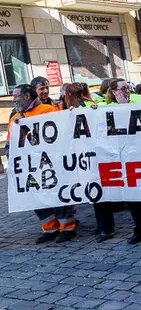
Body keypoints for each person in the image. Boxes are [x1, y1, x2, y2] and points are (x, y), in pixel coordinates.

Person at [97, 78, 141, 245]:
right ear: (114, 92)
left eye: (128, 88)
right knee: (131, 199)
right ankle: (140, 230)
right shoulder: (106, 109)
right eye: (122, 89)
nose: (127, 91)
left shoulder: (139, 101)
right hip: (122, 159)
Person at [8, 84, 71, 244]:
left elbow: (56, 136)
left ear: (27, 97)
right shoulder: (15, 118)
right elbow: (11, 145)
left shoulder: (46, 111)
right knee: (36, 197)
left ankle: (67, 227)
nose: (13, 99)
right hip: (30, 167)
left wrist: (27, 125)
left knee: (56, 195)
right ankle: (50, 228)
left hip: (49, 163)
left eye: (16, 96)